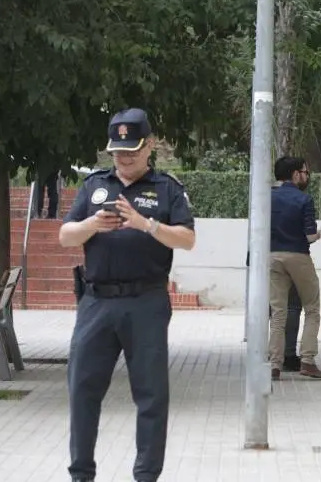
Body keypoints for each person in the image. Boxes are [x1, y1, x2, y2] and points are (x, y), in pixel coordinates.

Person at [59, 108, 196, 482]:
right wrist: (91, 225)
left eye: (132, 150)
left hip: (145, 303)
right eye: (118, 151)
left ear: (149, 145)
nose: (124, 158)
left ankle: (146, 476)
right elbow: (65, 236)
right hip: (96, 302)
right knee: (82, 390)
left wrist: (145, 224)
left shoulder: (167, 188)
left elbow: (187, 239)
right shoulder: (94, 186)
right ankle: (81, 475)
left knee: (151, 396)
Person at [268, 156, 321, 380]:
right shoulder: (304, 199)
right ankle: (308, 360)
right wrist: (319, 234)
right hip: (298, 255)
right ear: (295, 174)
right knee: (312, 307)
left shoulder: (267, 198)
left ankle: (274, 364)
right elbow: (310, 236)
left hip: (272, 256)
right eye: (304, 171)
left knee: (278, 312)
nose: (306, 175)